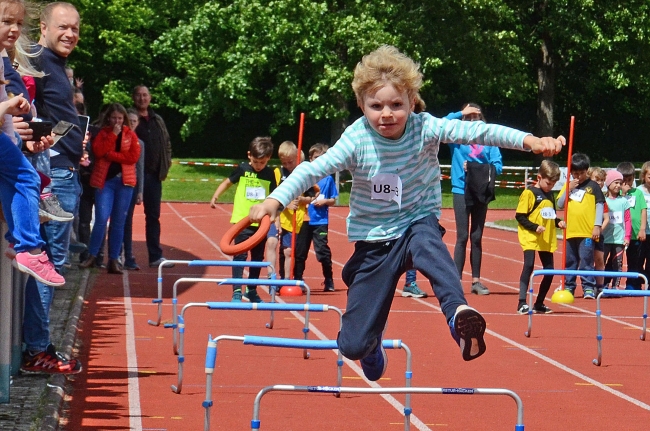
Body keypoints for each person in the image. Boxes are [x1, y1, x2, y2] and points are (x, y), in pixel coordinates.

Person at [248, 45, 564, 381]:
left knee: (428, 244)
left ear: (412, 101)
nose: (387, 114)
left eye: (396, 105)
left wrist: (529, 141)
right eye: (376, 106)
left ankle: (458, 316)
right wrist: (275, 201)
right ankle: (370, 347)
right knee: (352, 345)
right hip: (373, 241)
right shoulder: (356, 139)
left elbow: (478, 132)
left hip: (416, 220)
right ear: (361, 105)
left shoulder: (424, 127)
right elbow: (312, 170)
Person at [18, 0, 83, 374]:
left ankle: (38, 345)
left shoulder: (56, 65)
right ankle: (36, 349)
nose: (70, 34)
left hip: (63, 169)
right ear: (43, 27)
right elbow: (29, 110)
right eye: (62, 27)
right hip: (52, 172)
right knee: (50, 263)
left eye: (74, 28)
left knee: (52, 261)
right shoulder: (39, 61)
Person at [210, 136, 276, 302]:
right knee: (240, 255)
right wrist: (216, 195)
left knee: (257, 257)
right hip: (242, 220)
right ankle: (237, 290)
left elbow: (275, 198)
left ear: (268, 158)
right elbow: (227, 182)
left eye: (262, 162)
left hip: (261, 223)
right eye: (255, 162)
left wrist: (276, 217)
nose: (259, 166)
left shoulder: (269, 174)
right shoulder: (242, 169)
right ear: (249, 156)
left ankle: (251, 289)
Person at [79, 103, 141, 274]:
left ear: (124, 119)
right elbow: (99, 151)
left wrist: (111, 156)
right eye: (114, 118)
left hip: (124, 183)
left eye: (120, 118)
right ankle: (92, 256)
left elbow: (133, 157)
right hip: (105, 182)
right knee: (101, 219)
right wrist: (113, 136)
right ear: (108, 118)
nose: (117, 121)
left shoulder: (130, 135)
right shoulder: (103, 134)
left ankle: (114, 259)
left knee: (118, 222)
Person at [448, 103, 502, 295]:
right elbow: (442, 123)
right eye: (468, 118)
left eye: (475, 117)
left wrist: (475, 168)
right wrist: (460, 112)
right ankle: (455, 281)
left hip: (480, 191)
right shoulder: (456, 138)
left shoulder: (489, 140)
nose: (471, 121)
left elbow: (498, 165)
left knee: (476, 237)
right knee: (462, 236)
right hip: (461, 190)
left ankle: (476, 281)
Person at [515, 160, 565, 314]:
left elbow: (550, 216)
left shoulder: (550, 195)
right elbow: (520, 216)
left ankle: (539, 303)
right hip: (530, 235)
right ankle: (522, 302)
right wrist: (535, 227)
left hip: (546, 237)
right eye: (548, 183)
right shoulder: (529, 193)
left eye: (553, 184)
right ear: (539, 177)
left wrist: (558, 222)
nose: (550, 186)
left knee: (549, 270)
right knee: (529, 265)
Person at [132, 85, 172, 267]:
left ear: (150, 97)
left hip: (154, 176)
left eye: (145, 95)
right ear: (134, 98)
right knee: (126, 217)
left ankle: (155, 255)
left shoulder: (158, 120)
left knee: (153, 217)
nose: (142, 98)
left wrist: (166, 164)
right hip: (131, 176)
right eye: (139, 95)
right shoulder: (130, 118)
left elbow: (166, 143)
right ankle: (125, 256)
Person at [556, 153, 605, 299]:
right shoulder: (568, 186)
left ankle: (588, 287)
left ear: (587, 171)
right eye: (575, 173)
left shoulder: (593, 187)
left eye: (582, 173)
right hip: (570, 231)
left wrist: (597, 225)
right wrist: (568, 189)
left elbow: (600, 205)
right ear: (570, 173)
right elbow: (559, 204)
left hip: (586, 232)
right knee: (570, 261)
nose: (578, 176)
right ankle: (569, 286)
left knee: (586, 260)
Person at [301, 143, 338, 292]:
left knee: (322, 250)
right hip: (303, 219)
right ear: (310, 159)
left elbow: (333, 199)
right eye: (316, 157)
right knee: (300, 251)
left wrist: (324, 201)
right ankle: (298, 278)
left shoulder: (328, 179)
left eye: (323, 158)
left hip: (320, 220)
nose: (319, 160)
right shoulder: (305, 177)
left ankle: (328, 279)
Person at [617, 162, 647, 289]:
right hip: (620, 234)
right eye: (624, 180)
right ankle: (613, 283)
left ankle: (634, 284)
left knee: (635, 260)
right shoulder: (616, 193)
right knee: (618, 260)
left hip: (635, 234)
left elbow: (643, 210)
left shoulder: (638, 193)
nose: (627, 183)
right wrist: (623, 194)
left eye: (629, 180)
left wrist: (642, 229)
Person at [122, 108, 145, 270]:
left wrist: (140, 191)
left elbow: (140, 168)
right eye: (129, 121)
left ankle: (129, 256)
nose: (132, 124)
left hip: (131, 185)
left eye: (134, 121)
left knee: (126, 222)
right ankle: (103, 255)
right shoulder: (118, 138)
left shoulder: (140, 144)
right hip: (115, 183)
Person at [601, 169, 631, 289]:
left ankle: (615, 286)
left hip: (619, 239)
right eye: (615, 182)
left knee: (617, 263)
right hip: (604, 239)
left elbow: (628, 220)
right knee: (601, 262)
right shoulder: (603, 201)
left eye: (620, 183)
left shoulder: (623, 201)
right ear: (608, 184)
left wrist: (627, 236)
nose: (618, 185)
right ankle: (601, 284)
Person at [588, 167, 609, 295]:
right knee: (582, 259)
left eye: (602, 180)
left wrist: (599, 230)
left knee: (599, 259)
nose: (600, 183)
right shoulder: (587, 195)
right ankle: (570, 283)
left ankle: (599, 285)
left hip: (597, 234)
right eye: (597, 179)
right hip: (584, 232)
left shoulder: (602, 198)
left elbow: (606, 218)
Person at [638, 161, 650, 286]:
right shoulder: (638, 191)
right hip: (641, 232)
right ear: (643, 177)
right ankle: (636, 283)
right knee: (639, 258)